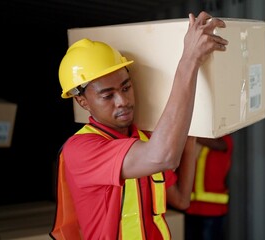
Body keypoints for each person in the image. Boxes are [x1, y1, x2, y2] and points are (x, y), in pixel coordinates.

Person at [50, 11, 229, 240]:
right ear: (82, 101)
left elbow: (182, 199)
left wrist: (193, 129)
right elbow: (163, 156)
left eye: (126, 88)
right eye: (108, 96)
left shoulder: (144, 140)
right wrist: (189, 60)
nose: (123, 101)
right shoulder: (81, 149)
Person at [183, 134, 234, 240]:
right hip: (191, 208)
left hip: (213, 211)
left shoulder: (224, 141)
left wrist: (189, 133)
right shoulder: (193, 145)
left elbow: (218, 145)